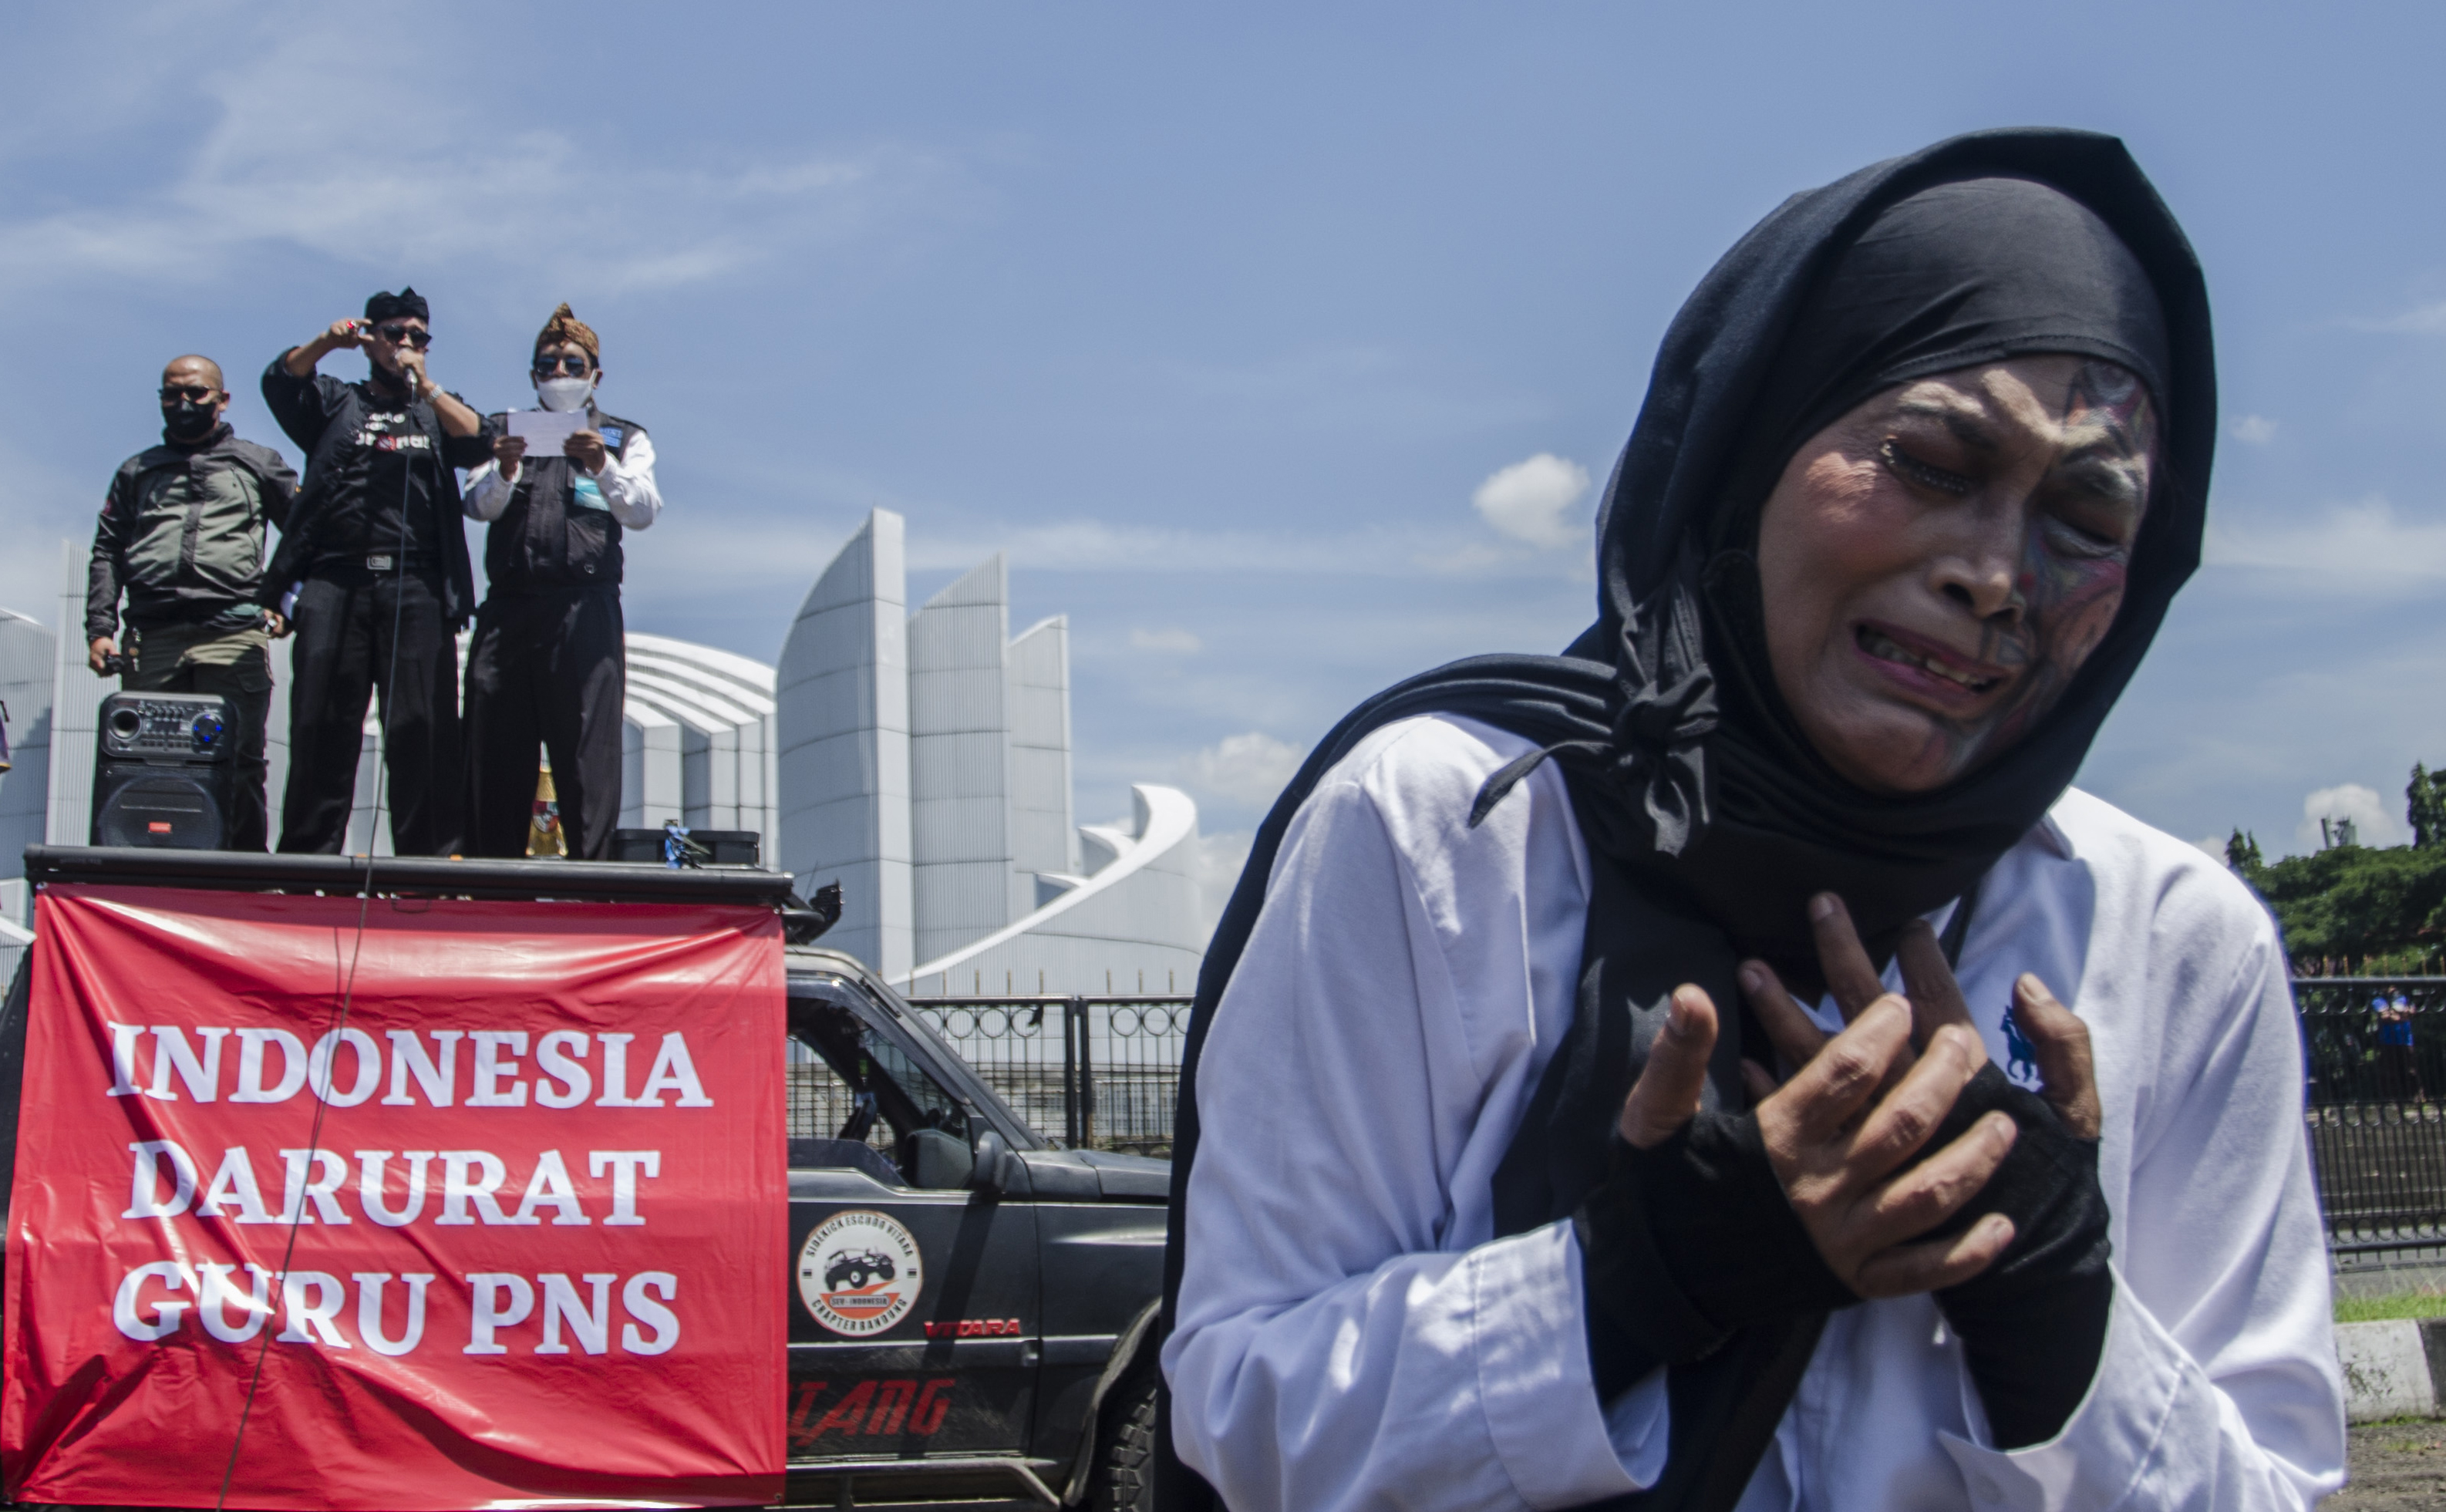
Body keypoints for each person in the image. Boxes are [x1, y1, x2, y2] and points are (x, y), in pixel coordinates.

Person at [1161, 130, 2344, 1510]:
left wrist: (2064, 1318)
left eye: (2084, 515)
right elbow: (1246, 1415)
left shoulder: (2171, 937)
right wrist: (1639, 1277)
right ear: (1750, 446)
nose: (1994, 572)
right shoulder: (1450, 831)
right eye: (1928, 459)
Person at [260, 289, 491, 856]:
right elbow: (279, 382)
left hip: (416, 587)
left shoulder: (435, 409)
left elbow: (480, 439)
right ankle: (307, 864)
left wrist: (428, 386)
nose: (405, 344)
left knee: (423, 731)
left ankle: (430, 867)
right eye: (394, 334)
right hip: (335, 583)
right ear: (371, 340)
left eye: (418, 336)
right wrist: (326, 343)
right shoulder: (338, 401)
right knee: (321, 728)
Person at [460, 304, 661, 860]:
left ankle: (591, 879)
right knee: (496, 745)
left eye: (574, 364)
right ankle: (490, 879)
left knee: (585, 751)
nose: (561, 373)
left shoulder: (624, 436)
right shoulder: (503, 430)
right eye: (548, 365)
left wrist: (603, 465)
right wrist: (503, 471)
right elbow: (477, 506)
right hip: (510, 607)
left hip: (584, 608)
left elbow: (643, 511)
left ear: (596, 374)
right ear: (533, 376)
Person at [84, 356, 298, 851]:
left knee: (240, 760)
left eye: (197, 394)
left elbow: (304, 537)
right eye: (171, 394)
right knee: (145, 760)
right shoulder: (137, 471)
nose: (184, 404)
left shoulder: (258, 462)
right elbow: (108, 550)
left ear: (222, 400)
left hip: (232, 635)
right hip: (153, 637)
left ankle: (244, 875)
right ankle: (151, 868)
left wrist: (287, 601)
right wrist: (99, 627)